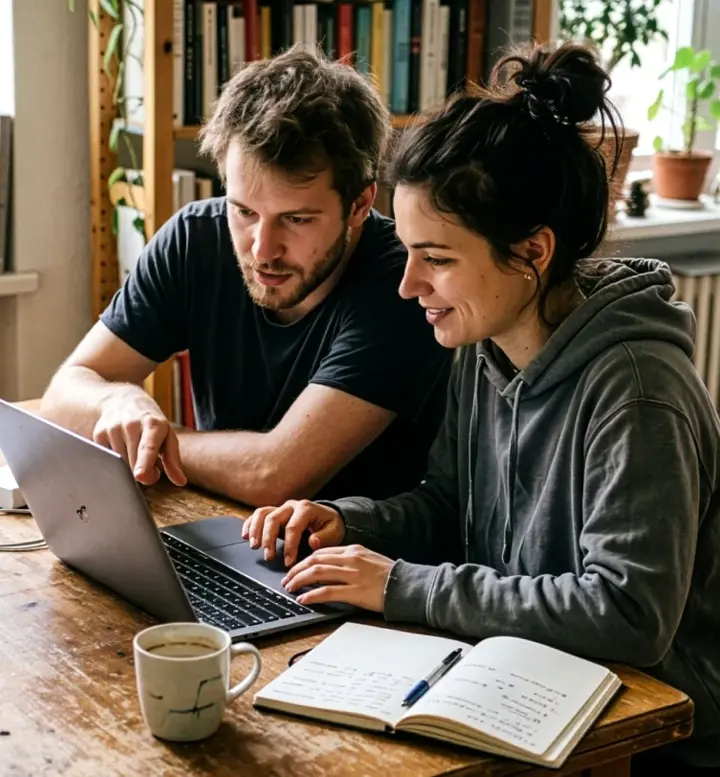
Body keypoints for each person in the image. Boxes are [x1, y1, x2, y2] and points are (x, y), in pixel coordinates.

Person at [242, 42, 720, 771]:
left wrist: (403, 585)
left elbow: (628, 614)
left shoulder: (638, 389)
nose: (408, 286)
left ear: (532, 251)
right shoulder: (484, 340)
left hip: (650, 732)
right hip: (529, 686)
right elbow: (448, 502)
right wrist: (348, 519)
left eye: (435, 257)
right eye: (405, 252)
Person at [40, 46, 452, 507]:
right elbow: (61, 397)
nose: (261, 250)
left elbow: (274, 476)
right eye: (244, 211)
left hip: (343, 558)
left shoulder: (406, 282)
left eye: (296, 220)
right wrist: (115, 403)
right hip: (214, 522)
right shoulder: (196, 237)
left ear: (360, 204)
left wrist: (158, 443)